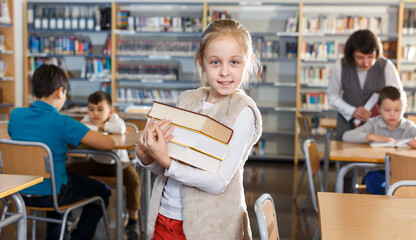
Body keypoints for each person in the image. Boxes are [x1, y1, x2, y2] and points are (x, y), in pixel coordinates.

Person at [135, 19, 263, 239]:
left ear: (248, 63)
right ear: (201, 63)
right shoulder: (188, 100)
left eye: (234, 62)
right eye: (215, 62)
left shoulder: (243, 112)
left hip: (208, 227)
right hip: (164, 216)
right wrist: (146, 156)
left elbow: (218, 183)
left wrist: (166, 161)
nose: (224, 71)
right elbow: (167, 168)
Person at [8, 64, 114, 240]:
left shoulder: (16, 115)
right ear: (60, 92)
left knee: (59, 178)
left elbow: (17, 136)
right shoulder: (63, 122)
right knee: (101, 191)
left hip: (17, 193)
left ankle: (55, 235)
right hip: (52, 194)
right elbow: (108, 143)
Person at [66, 91, 142, 239]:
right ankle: (69, 213)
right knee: (66, 169)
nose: (94, 113)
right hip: (96, 164)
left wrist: (97, 127)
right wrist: (104, 127)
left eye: (100, 109)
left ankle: (133, 222)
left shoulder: (116, 119)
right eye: (91, 109)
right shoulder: (86, 119)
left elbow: (120, 128)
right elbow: (80, 127)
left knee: (134, 180)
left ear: (110, 111)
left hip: (120, 165)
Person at [327, 29, 403, 140]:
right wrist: (352, 111)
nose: (366, 62)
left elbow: (398, 96)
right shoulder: (341, 65)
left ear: (377, 53)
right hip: (347, 126)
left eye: (371, 57)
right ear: (351, 55)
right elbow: (332, 95)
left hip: (379, 129)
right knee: (345, 155)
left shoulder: (386, 66)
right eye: (360, 57)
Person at [343, 86, 416, 194]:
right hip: (377, 171)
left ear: (405, 108)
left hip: (403, 173)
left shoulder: (409, 127)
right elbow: (346, 136)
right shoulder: (373, 124)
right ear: (378, 108)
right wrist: (371, 136)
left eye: (397, 110)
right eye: (387, 110)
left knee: (405, 189)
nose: (392, 114)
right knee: (380, 187)